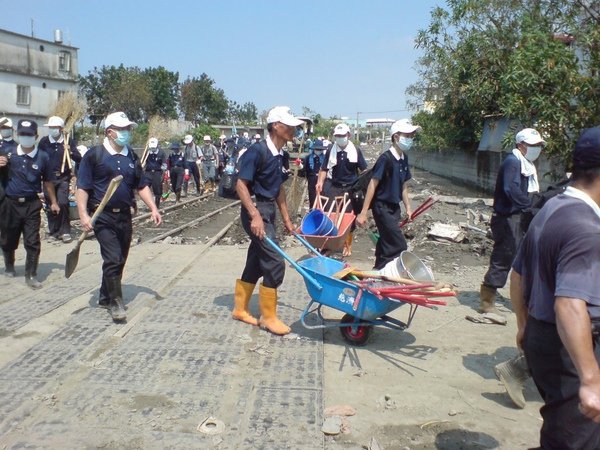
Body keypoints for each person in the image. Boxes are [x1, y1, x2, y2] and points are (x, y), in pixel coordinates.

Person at [511, 126, 600, 449]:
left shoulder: (552, 207)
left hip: (541, 334)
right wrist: (590, 380)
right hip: (567, 346)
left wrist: (523, 324)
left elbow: (518, 274)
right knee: (575, 439)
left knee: (561, 428)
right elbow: (570, 304)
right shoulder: (586, 228)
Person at [76, 112, 161, 322]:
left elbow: (141, 185)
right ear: (110, 132)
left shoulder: (131, 156)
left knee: (120, 259)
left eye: (128, 129)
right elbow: (83, 187)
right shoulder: (95, 155)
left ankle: (105, 296)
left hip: (124, 216)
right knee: (112, 258)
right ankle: (116, 303)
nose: (126, 133)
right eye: (122, 129)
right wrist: (83, 214)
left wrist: (153, 208)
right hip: (102, 216)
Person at [233, 106, 299, 335]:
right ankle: (268, 317)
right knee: (275, 262)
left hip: (268, 210)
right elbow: (240, 185)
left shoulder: (282, 155)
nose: (294, 129)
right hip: (255, 210)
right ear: (275, 126)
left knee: (256, 261)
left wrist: (287, 220)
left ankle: (240, 309)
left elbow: (278, 187)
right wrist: (255, 216)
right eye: (289, 125)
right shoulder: (257, 151)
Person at [479, 128, 545, 315]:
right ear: (521, 145)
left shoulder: (526, 164)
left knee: (525, 257)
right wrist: (530, 205)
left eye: (538, 145)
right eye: (533, 145)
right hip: (508, 218)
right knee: (504, 257)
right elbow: (511, 189)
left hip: (519, 216)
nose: (536, 149)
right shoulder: (512, 162)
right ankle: (487, 300)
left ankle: (525, 298)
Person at [0, 120, 59, 288]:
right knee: (8, 239)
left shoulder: (43, 157)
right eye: (23, 134)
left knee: (32, 241)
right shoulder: (7, 152)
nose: (26, 137)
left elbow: (47, 182)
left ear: (36, 136)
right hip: (10, 204)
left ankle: (31, 274)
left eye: (29, 134)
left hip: (32, 204)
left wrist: (53, 202)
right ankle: (9, 265)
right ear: (18, 135)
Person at [356, 119, 419, 270]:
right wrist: (364, 212)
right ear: (396, 137)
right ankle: (390, 272)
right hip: (381, 207)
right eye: (407, 135)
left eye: (412, 136)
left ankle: (378, 270)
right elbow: (373, 184)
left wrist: (408, 208)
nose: (410, 139)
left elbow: (403, 184)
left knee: (385, 242)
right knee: (398, 244)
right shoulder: (386, 158)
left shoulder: (403, 158)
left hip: (394, 208)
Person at [315, 123, 367, 256]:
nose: (340, 138)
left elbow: (364, 171)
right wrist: (320, 182)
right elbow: (324, 169)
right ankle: (331, 244)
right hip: (335, 186)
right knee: (331, 215)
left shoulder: (356, 151)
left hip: (351, 188)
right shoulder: (331, 150)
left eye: (342, 136)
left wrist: (363, 188)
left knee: (349, 219)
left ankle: (347, 245)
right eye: (337, 136)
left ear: (348, 135)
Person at [38, 116, 81, 243]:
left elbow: (79, 159)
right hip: (48, 179)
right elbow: (39, 157)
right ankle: (54, 231)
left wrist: (71, 151)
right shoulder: (44, 142)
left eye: (55, 128)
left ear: (61, 129)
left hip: (63, 177)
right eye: (50, 128)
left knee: (63, 203)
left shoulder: (69, 141)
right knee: (51, 204)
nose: (52, 130)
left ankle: (65, 231)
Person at [143, 137, 167, 208]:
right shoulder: (147, 152)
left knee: (157, 190)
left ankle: (157, 206)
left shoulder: (161, 152)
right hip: (148, 172)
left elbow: (164, 164)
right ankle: (149, 204)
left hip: (157, 173)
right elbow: (143, 162)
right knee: (145, 188)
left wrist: (163, 174)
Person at [302, 139, 326, 209]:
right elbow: (304, 171)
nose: (318, 151)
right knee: (312, 199)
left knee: (322, 200)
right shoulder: (308, 158)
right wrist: (300, 166)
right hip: (312, 182)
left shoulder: (325, 159)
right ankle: (312, 213)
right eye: (317, 149)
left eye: (320, 149)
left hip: (322, 181)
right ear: (314, 149)